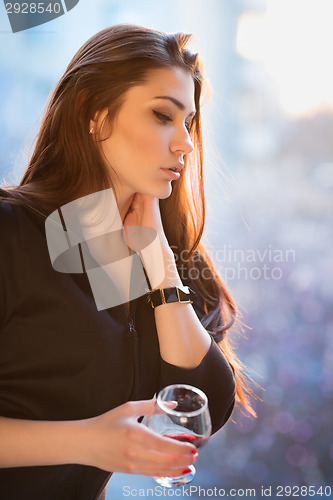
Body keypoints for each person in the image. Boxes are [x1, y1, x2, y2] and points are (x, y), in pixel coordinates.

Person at [0, 24, 255, 500]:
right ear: (93, 114)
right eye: (163, 115)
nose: (186, 143)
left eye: (188, 123)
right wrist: (87, 441)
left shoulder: (153, 260)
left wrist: (159, 260)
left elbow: (206, 406)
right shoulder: (11, 233)